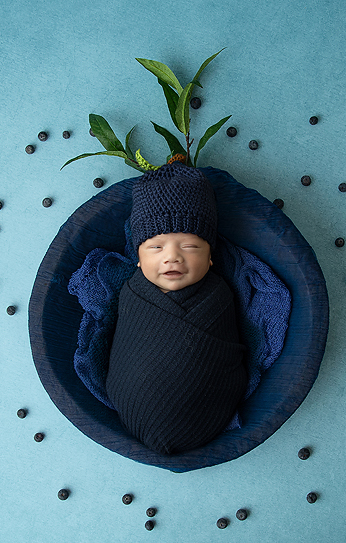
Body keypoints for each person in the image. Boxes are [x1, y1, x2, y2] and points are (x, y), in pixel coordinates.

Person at [105, 161, 248, 455]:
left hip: (204, 407)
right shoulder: (132, 293)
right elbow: (122, 347)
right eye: (156, 248)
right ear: (138, 259)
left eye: (190, 247)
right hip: (134, 405)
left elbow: (230, 352)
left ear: (211, 258)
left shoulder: (218, 296)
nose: (172, 258)